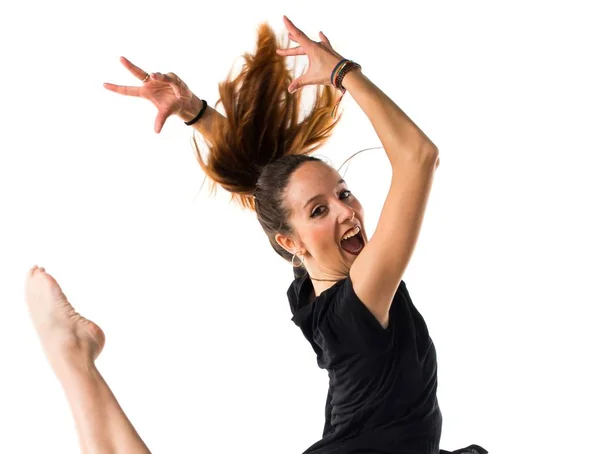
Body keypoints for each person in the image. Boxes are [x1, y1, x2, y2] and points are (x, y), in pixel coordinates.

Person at [25, 16, 487, 454]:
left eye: (344, 194)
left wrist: (198, 114)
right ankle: (74, 358)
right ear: (292, 242)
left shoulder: (311, 288)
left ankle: (76, 358)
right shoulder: (361, 298)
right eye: (320, 210)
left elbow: (264, 193)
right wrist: (342, 73)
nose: (347, 211)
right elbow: (418, 157)